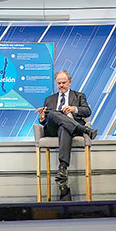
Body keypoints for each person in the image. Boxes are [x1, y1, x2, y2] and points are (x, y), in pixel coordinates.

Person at [37, 70, 97, 201]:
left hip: (69, 128)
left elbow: (87, 111)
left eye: (64, 83)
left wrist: (73, 109)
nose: (61, 85)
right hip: (53, 129)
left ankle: (62, 168)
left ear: (69, 82)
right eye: (59, 83)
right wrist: (41, 118)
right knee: (52, 114)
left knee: (65, 127)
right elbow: (45, 119)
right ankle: (84, 130)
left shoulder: (79, 96)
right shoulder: (49, 99)